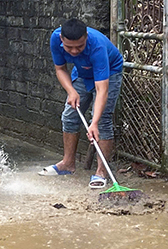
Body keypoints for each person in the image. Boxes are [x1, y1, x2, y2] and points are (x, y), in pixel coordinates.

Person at [38, 18, 124, 188]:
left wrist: (95, 123)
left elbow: (102, 90)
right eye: (69, 48)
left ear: (86, 37)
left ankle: (101, 172)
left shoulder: (97, 47)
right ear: (62, 39)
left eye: (80, 46)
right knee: (69, 116)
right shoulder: (55, 39)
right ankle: (68, 164)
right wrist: (71, 91)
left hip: (109, 72)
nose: (74, 51)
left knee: (103, 120)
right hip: (83, 72)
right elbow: (60, 69)